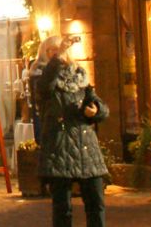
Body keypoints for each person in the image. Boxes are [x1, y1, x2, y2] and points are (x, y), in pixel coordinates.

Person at [36, 35, 108, 227]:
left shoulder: (80, 75)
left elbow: (100, 105)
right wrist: (57, 58)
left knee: (96, 202)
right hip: (60, 147)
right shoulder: (42, 75)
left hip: (86, 147)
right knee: (62, 207)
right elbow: (45, 87)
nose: (57, 52)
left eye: (59, 49)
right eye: (51, 50)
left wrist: (95, 111)